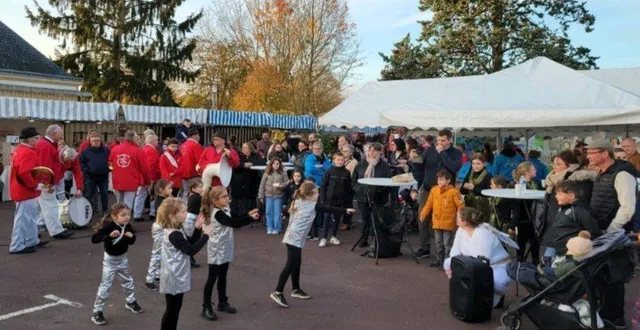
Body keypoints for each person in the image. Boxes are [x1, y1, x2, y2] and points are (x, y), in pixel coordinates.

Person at [269, 182, 356, 308]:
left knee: (296, 263)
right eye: (316, 192)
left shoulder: (298, 200)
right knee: (290, 265)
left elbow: (287, 209)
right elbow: (328, 208)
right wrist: (345, 210)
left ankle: (296, 289)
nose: (318, 194)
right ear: (310, 195)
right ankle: (278, 292)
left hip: (293, 237)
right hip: (294, 238)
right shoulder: (311, 205)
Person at [586, 139, 637, 328]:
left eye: (591, 152)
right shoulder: (602, 173)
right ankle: (606, 314)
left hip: (615, 236)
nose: (588, 156)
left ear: (604, 153)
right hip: (604, 234)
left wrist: (611, 230)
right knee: (602, 276)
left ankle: (615, 319)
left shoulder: (622, 174)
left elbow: (628, 208)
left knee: (613, 278)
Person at [200, 186, 260, 321]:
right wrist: (249, 219)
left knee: (222, 276)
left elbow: (236, 217)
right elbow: (233, 223)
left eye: (227, 195)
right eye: (224, 197)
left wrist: (248, 215)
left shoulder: (225, 209)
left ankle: (222, 302)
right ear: (215, 200)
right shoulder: (217, 213)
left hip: (225, 247)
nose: (228, 198)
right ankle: (206, 306)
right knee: (212, 278)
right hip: (216, 250)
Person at [157, 198, 209, 330]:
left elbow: (189, 243)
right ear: (172, 216)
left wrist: (197, 229)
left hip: (176, 273)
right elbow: (191, 250)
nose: (186, 214)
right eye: (183, 211)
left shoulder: (176, 229)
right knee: (172, 310)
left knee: (175, 309)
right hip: (173, 276)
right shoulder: (174, 234)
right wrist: (206, 235)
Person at [444, 207, 512, 308]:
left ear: (465, 222)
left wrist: (463, 270)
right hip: (471, 263)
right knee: (447, 263)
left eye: (458, 217)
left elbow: (482, 262)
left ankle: (490, 297)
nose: (455, 218)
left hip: (497, 266)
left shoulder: (483, 233)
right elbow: (455, 250)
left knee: (495, 283)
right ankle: (466, 293)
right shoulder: (461, 230)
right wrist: (455, 267)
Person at [90, 203, 142, 325]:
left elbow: (132, 241)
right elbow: (95, 238)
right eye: (123, 215)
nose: (126, 217)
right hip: (110, 261)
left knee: (128, 282)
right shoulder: (109, 226)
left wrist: (130, 237)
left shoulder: (127, 226)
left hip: (123, 259)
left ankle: (130, 302)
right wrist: (108, 236)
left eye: (128, 214)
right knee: (105, 286)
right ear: (114, 216)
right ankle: (97, 311)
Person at [416, 129, 463, 259]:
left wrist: (442, 153)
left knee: (446, 221)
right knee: (422, 218)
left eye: (443, 140)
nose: (440, 143)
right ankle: (425, 247)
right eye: (438, 140)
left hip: (446, 192)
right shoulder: (429, 150)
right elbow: (420, 167)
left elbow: (454, 167)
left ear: (449, 140)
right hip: (427, 188)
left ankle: (445, 253)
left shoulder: (456, 153)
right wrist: (414, 160)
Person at [9, 127, 47, 254]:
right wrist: (34, 185)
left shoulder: (19, 150)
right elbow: (24, 173)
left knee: (29, 218)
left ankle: (32, 240)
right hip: (25, 190)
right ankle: (16, 246)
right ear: (30, 139)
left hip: (20, 189)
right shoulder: (29, 152)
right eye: (36, 137)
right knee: (23, 219)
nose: (38, 139)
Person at [546, 181, 602, 265]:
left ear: (571, 196)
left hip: (569, 253)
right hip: (557, 248)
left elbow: (595, 232)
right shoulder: (563, 207)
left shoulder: (580, 211)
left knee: (555, 273)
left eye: (559, 194)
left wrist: (579, 246)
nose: (556, 196)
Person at [351, 143, 393, 247]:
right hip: (363, 196)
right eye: (370, 150)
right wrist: (358, 189)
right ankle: (364, 238)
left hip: (378, 197)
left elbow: (389, 181)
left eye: (374, 150)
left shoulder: (385, 166)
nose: (371, 153)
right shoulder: (361, 164)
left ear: (380, 152)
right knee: (365, 218)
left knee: (377, 218)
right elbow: (353, 180)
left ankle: (376, 240)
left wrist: (381, 190)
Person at [420, 170, 464, 270]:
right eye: (438, 179)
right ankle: (439, 259)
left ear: (448, 180)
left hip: (448, 222)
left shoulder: (454, 192)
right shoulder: (434, 190)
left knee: (447, 243)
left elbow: (461, 206)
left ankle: (447, 260)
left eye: (442, 179)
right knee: (438, 242)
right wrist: (423, 213)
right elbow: (429, 204)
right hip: (436, 221)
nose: (439, 181)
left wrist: (460, 219)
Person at [36, 124, 74, 239]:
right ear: (54, 134)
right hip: (46, 182)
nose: (61, 136)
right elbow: (45, 166)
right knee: (50, 206)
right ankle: (56, 230)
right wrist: (48, 183)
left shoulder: (46, 144)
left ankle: (53, 229)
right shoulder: (46, 145)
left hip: (46, 181)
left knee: (48, 206)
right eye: (60, 133)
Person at [508, 162, 541, 265]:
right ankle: (520, 262)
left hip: (535, 217)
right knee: (521, 241)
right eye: (534, 169)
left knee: (535, 241)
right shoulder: (517, 185)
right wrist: (513, 224)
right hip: (522, 218)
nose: (536, 171)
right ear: (527, 172)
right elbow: (516, 207)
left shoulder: (536, 183)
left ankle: (536, 262)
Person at [319, 152, 353, 247]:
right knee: (327, 218)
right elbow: (323, 186)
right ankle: (324, 238)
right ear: (334, 160)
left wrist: (347, 201)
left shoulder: (347, 173)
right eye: (338, 160)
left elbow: (348, 188)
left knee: (336, 219)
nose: (340, 162)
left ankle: (333, 236)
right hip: (329, 200)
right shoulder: (328, 171)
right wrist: (323, 199)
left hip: (340, 200)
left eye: (342, 160)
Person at [109, 130, 149, 211]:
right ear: (134, 138)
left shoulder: (115, 149)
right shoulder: (139, 151)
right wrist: (147, 181)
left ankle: (118, 220)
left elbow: (110, 163)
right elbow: (144, 169)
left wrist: (114, 171)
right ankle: (124, 221)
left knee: (119, 203)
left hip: (117, 180)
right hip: (131, 181)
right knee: (128, 203)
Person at [230, 142, 264, 215]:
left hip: (251, 181)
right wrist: (244, 165)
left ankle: (252, 214)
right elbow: (236, 165)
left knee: (250, 198)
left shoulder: (255, 156)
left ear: (250, 148)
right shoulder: (239, 156)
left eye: (245, 147)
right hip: (240, 182)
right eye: (242, 147)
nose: (243, 149)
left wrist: (252, 163)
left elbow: (262, 162)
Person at [258, 158, 289, 235]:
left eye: (277, 164)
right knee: (268, 212)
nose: (276, 165)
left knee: (277, 212)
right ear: (271, 164)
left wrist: (281, 186)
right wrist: (261, 196)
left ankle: (277, 228)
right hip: (268, 195)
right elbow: (262, 184)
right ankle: (269, 227)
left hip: (278, 195)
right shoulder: (267, 173)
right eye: (274, 164)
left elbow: (287, 183)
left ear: (280, 164)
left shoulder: (283, 173)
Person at [135, 134, 160, 222]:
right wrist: (152, 178)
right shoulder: (152, 151)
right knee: (153, 196)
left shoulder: (143, 149)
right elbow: (151, 166)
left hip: (142, 177)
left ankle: (137, 214)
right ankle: (152, 214)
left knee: (140, 196)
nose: (158, 142)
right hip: (150, 177)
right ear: (152, 141)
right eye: (157, 140)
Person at [459, 153, 492, 217]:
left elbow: (488, 194)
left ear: (484, 164)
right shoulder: (469, 174)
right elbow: (462, 191)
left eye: (478, 164)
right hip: (469, 206)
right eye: (473, 163)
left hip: (481, 208)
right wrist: (464, 187)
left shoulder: (488, 176)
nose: (475, 166)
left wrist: (473, 188)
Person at [179, 128, 202, 199]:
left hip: (183, 173)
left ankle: (182, 208)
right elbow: (200, 160)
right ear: (194, 136)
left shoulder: (182, 145)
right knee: (195, 193)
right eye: (198, 135)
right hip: (193, 174)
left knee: (186, 192)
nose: (199, 137)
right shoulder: (196, 145)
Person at [186, 178, 204, 268]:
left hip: (192, 219)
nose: (202, 188)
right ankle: (189, 257)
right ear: (193, 189)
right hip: (191, 220)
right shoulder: (197, 197)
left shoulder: (192, 196)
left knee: (192, 239)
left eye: (202, 186)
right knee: (191, 239)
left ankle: (189, 257)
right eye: (200, 187)